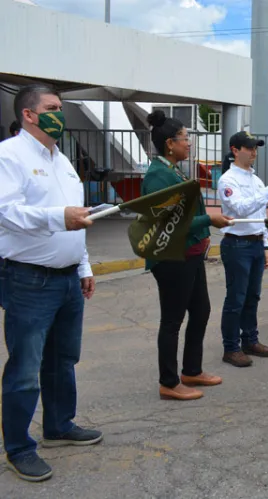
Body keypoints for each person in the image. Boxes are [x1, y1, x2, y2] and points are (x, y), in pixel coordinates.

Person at [0, 84, 101, 482]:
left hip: (67, 279)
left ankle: (59, 425)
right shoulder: (10, 155)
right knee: (25, 367)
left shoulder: (64, 160)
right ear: (29, 114)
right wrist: (59, 218)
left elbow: (78, 218)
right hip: (29, 280)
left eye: (61, 107)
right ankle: (19, 447)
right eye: (52, 108)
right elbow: (7, 212)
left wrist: (84, 266)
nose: (60, 113)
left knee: (63, 359)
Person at [142, 110, 230, 401]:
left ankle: (191, 369)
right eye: (185, 138)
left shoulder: (174, 170)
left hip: (190, 254)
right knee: (172, 320)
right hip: (171, 257)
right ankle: (168, 381)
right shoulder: (158, 175)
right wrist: (209, 221)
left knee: (201, 311)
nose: (189, 143)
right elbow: (166, 222)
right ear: (170, 143)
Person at [218, 132, 268, 368]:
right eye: (249, 148)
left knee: (252, 296)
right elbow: (240, 209)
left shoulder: (255, 180)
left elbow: (260, 216)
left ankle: (250, 340)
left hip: (255, 242)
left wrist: (265, 244)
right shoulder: (228, 180)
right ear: (235, 150)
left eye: (255, 148)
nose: (254, 152)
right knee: (236, 298)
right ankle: (231, 347)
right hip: (237, 244)